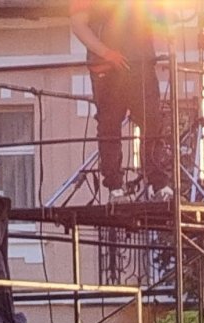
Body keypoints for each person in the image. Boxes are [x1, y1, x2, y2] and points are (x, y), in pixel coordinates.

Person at [70, 0, 169, 195]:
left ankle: (158, 183)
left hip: (141, 65)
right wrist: (106, 53)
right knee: (110, 126)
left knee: (152, 121)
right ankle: (115, 186)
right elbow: (78, 24)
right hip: (108, 68)